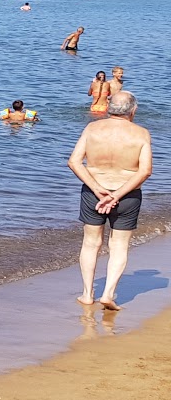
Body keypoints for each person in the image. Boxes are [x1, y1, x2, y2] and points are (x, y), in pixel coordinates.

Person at [67, 92, 153, 310]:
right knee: (119, 245)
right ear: (133, 110)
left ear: (108, 108)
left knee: (90, 243)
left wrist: (98, 189)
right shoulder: (141, 134)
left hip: (94, 194)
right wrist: (116, 195)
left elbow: (74, 162)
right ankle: (108, 293)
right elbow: (145, 171)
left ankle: (87, 294)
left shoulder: (92, 129)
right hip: (127, 195)